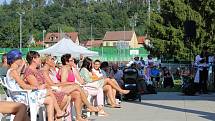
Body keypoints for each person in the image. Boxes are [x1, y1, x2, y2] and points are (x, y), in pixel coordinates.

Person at [6, 49, 68, 121]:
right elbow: (24, 86)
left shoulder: (11, 71)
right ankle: (59, 112)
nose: (22, 60)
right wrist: (38, 87)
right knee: (49, 91)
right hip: (23, 97)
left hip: (21, 95)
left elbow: (20, 82)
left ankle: (52, 118)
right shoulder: (13, 71)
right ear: (15, 59)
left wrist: (22, 66)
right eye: (20, 58)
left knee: (50, 99)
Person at [42, 54, 100, 121]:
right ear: (46, 61)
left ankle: (78, 116)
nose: (54, 61)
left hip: (59, 87)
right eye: (52, 59)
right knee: (77, 86)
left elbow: (58, 81)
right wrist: (71, 83)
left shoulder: (52, 70)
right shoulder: (45, 71)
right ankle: (89, 106)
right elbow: (53, 84)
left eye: (53, 59)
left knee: (77, 94)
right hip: (55, 89)